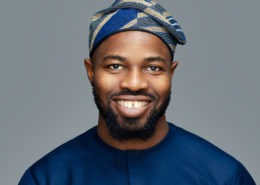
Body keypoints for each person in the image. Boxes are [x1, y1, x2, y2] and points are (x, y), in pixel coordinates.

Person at [18, 0, 256, 184]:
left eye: (153, 68)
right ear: (90, 71)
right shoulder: (47, 178)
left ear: (170, 74)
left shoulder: (223, 176)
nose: (134, 83)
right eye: (115, 66)